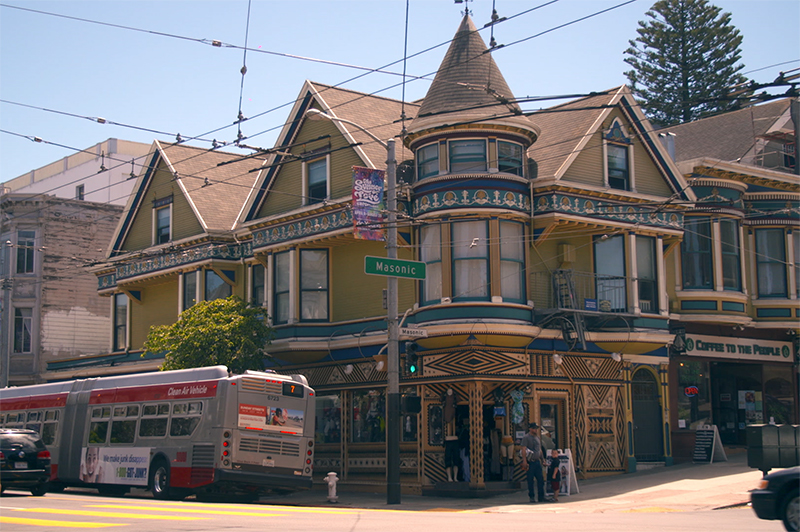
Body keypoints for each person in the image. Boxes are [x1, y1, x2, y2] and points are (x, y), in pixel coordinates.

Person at [519, 422, 545, 503]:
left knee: (540, 479)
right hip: (530, 461)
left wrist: (543, 459)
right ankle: (532, 496)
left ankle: (541, 497)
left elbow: (539, 449)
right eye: (534, 428)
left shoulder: (537, 437)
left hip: (537, 461)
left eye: (536, 428)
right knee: (530, 480)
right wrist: (524, 461)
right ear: (530, 429)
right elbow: (523, 449)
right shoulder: (526, 437)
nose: (535, 430)